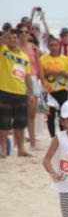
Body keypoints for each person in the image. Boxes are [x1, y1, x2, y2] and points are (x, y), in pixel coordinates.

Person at [0, 28, 34, 158]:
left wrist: (30, 93)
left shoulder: (24, 56)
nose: (12, 40)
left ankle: (21, 150)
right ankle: (3, 150)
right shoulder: (3, 50)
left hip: (20, 93)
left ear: (19, 39)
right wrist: (8, 33)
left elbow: (28, 76)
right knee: (4, 123)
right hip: (4, 91)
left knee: (20, 123)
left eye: (15, 37)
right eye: (10, 38)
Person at [40, 36, 68, 138]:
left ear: (59, 46)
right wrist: (49, 72)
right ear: (48, 47)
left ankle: (63, 136)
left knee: (63, 114)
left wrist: (63, 74)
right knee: (50, 115)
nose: (53, 47)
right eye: (51, 45)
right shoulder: (42, 59)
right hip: (47, 91)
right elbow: (39, 75)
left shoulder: (64, 59)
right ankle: (53, 137)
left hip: (62, 90)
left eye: (55, 45)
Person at [18, 23, 42, 149]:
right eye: (21, 32)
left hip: (32, 79)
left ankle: (33, 143)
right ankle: (18, 143)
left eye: (26, 32)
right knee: (18, 113)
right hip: (18, 79)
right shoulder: (13, 47)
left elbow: (39, 66)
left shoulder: (33, 47)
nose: (24, 34)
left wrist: (43, 83)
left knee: (32, 114)